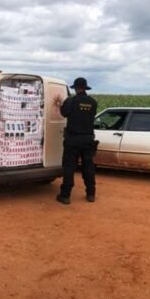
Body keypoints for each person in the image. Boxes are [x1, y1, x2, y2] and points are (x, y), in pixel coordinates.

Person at [55, 77, 98, 205]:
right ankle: (91, 194)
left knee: (69, 167)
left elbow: (64, 113)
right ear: (85, 88)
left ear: (76, 88)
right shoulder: (93, 102)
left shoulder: (71, 101)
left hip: (73, 139)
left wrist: (59, 104)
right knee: (88, 166)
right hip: (88, 139)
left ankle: (65, 195)